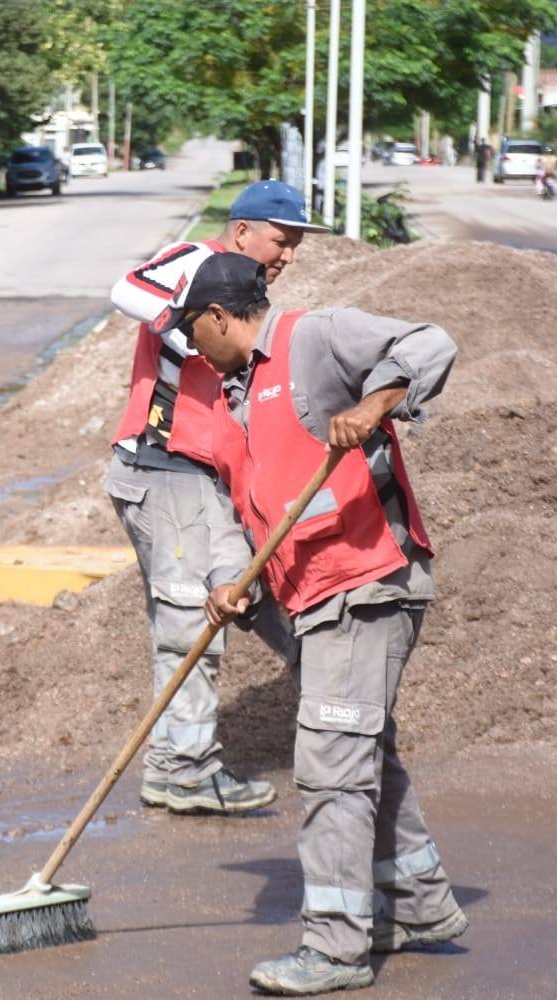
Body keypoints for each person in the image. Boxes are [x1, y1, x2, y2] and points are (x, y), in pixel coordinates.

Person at [158, 252, 465, 995]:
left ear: (221, 315)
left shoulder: (313, 337)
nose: (191, 348)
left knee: (330, 763)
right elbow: (248, 505)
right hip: (313, 595)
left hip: (367, 582)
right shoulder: (234, 391)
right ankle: (420, 905)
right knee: (360, 748)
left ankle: (334, 948)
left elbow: (431, 342)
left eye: (194, 331)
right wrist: (230, 580)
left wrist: (376, 402)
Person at [105, 180, 328, 816]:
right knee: (188, 624)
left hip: (212, 479)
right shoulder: (194, 262)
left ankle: (317, 697)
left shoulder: (249, 292)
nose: (288, 256)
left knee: (241, 593)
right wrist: (185, 328)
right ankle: (182, 771)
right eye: (282, 241)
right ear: (242, 231)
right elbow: (126, 290)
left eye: (294, 246)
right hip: (164, 466)